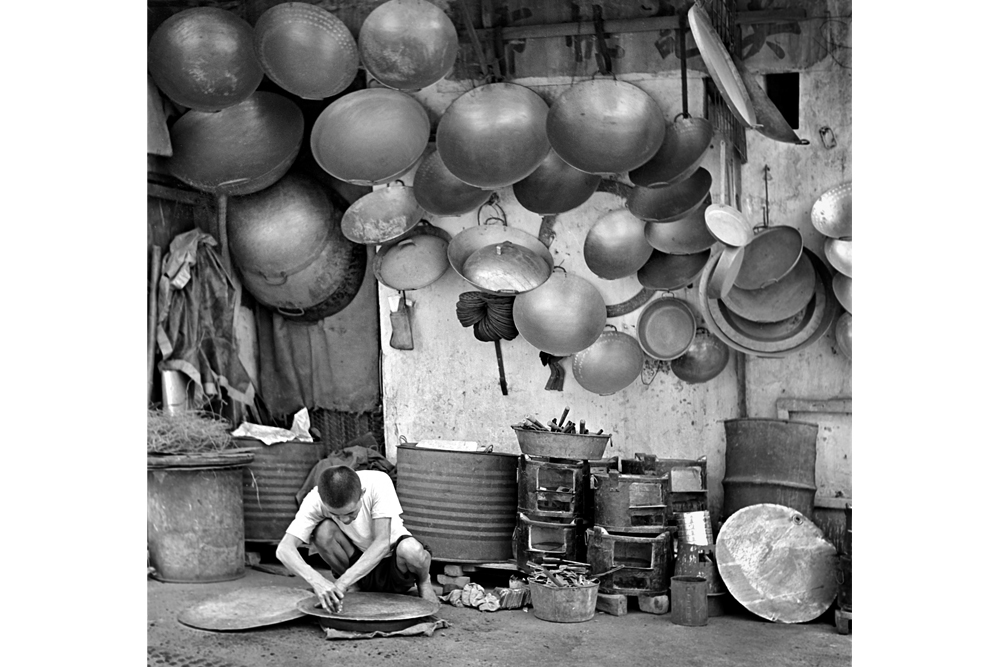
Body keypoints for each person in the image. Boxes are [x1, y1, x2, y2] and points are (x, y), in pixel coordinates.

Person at [276, 465, 436, 612]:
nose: (344, 520)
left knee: (411, 549)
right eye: (335, 515)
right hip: (356, 567)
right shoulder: (315, 500)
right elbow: (284, 549)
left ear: (362, 493)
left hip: (395, 567)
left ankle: (424, 582)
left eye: (350, 513)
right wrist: (318, 581)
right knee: (323, 532)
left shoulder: (378, 482)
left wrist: (341, 583)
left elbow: (382, 544)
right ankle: (356, 587)